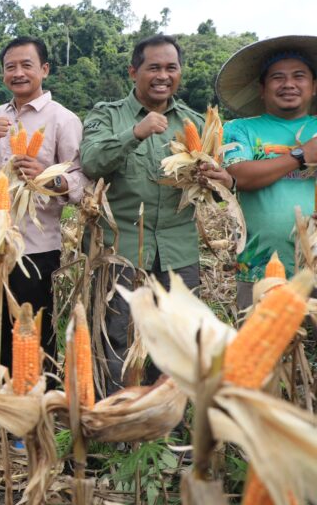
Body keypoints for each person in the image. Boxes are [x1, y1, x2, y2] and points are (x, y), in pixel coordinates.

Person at [81, 35, 232, 393]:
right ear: (134, 71)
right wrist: (136, 132)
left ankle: (166, 429)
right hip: (120, 249)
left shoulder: (195, 121)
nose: (163, 75)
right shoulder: (107, 114)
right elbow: (90, 161)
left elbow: (216, 193)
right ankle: (115, 424)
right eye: (154, 67)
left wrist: (217, 179)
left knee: (177, 342)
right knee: (115, 337)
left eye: (171, 68)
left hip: (177, 252)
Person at [0, 37, 89, 389]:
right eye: (10, 67)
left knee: (33, 331)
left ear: (44, 70)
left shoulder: (63, 120)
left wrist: (50, 179)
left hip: (36, 247)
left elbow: (82, 180)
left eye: (26, 65)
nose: (17, 73)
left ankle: (38, 401)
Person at [216, 36, 317, 309]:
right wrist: (302, 154)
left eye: (299, 76)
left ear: (314, 86)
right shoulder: (240, 129)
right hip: (257, 266)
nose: (288, 84)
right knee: (259, 350)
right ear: (262, 89)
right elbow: (241, 176)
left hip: (315, 263)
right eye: (277, 78)